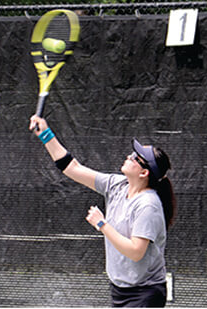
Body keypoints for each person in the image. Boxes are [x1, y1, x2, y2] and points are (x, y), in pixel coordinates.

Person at [28, 115, 175, 307]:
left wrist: (102, 224)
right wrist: (46, 135)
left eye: (135, 158)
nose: (128, 157)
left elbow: (136, 251)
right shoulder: (117, 185)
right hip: (120, 288)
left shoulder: (148, 205)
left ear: (144, 172)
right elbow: (72, 168)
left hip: (145, 293)